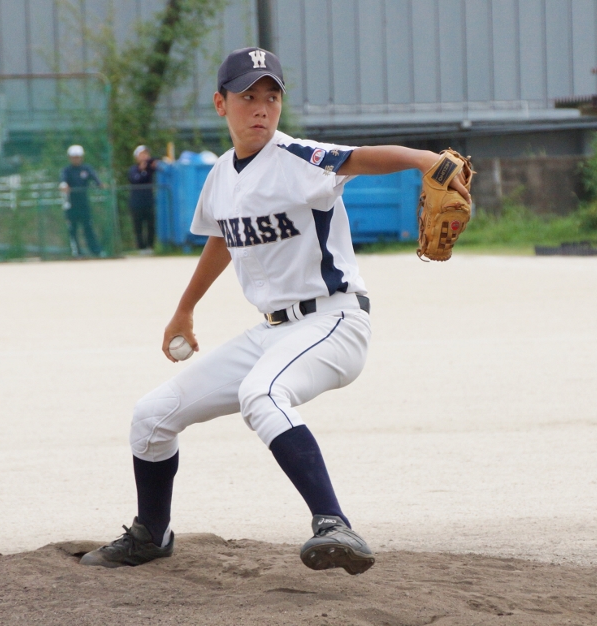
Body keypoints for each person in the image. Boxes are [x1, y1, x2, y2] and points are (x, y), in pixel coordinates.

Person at [80, 48, 470, 574]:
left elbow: (359, 158)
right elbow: (223, 238)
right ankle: (152, 533)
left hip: (334, 321)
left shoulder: (298, 158)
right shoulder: (221, 175)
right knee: (151, 416)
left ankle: (334, 523)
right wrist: (185, 309)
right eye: (248, 96)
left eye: (271, 96)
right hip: (272, 332)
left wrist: (424, 160)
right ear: (221, 104)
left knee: (261, 393)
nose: (261, 107)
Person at [59, 145, 104, 257]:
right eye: (74, 157)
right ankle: (77, 252)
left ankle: (96, 251)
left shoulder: (86, 169)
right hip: (71, 205)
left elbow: (95, 179)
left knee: (88, 227)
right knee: (73, 229)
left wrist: (100, 184)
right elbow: (63, 181)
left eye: (78, 157)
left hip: (84, 204)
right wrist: (64, 186)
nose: (76, 159)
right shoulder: (67, 170)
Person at [128, 145, 157, 252]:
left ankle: (150, 246)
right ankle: (141, 247)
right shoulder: (133, 169)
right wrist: (141, 169)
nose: (145, 156)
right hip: (136, 202)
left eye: (146, 154)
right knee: (138, 226)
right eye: (142, 154)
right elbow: (135, 180)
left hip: (148, 201)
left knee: (151, 225)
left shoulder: (151, 169)